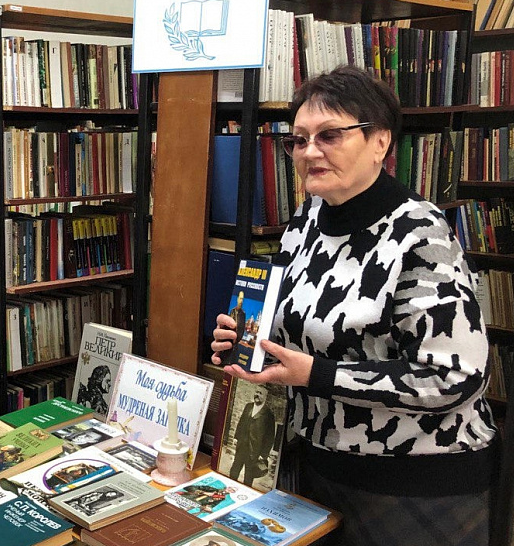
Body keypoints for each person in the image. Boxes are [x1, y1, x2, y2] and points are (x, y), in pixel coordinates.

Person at [211, 66, 497, 546]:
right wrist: (247, 338)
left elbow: (455, 376)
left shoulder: (420, 234)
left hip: (415, 483)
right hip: (319, 467)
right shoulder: (308, 217)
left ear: (380, 142)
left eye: (329, 135)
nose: (309, 152)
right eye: (298, 140)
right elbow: (299, 322)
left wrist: (316, 375)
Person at [229, 386, 276, 484]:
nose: (257, 395)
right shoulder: (248, 406)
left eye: (260, 393)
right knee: (234, 471)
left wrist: (263, 454)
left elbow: (270, 437)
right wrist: (236, 437)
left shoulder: (268, 414)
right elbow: (241, 422)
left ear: (265, 397)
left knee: (248, 477)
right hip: (242, 446)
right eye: (256, 392)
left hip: (254, 452)